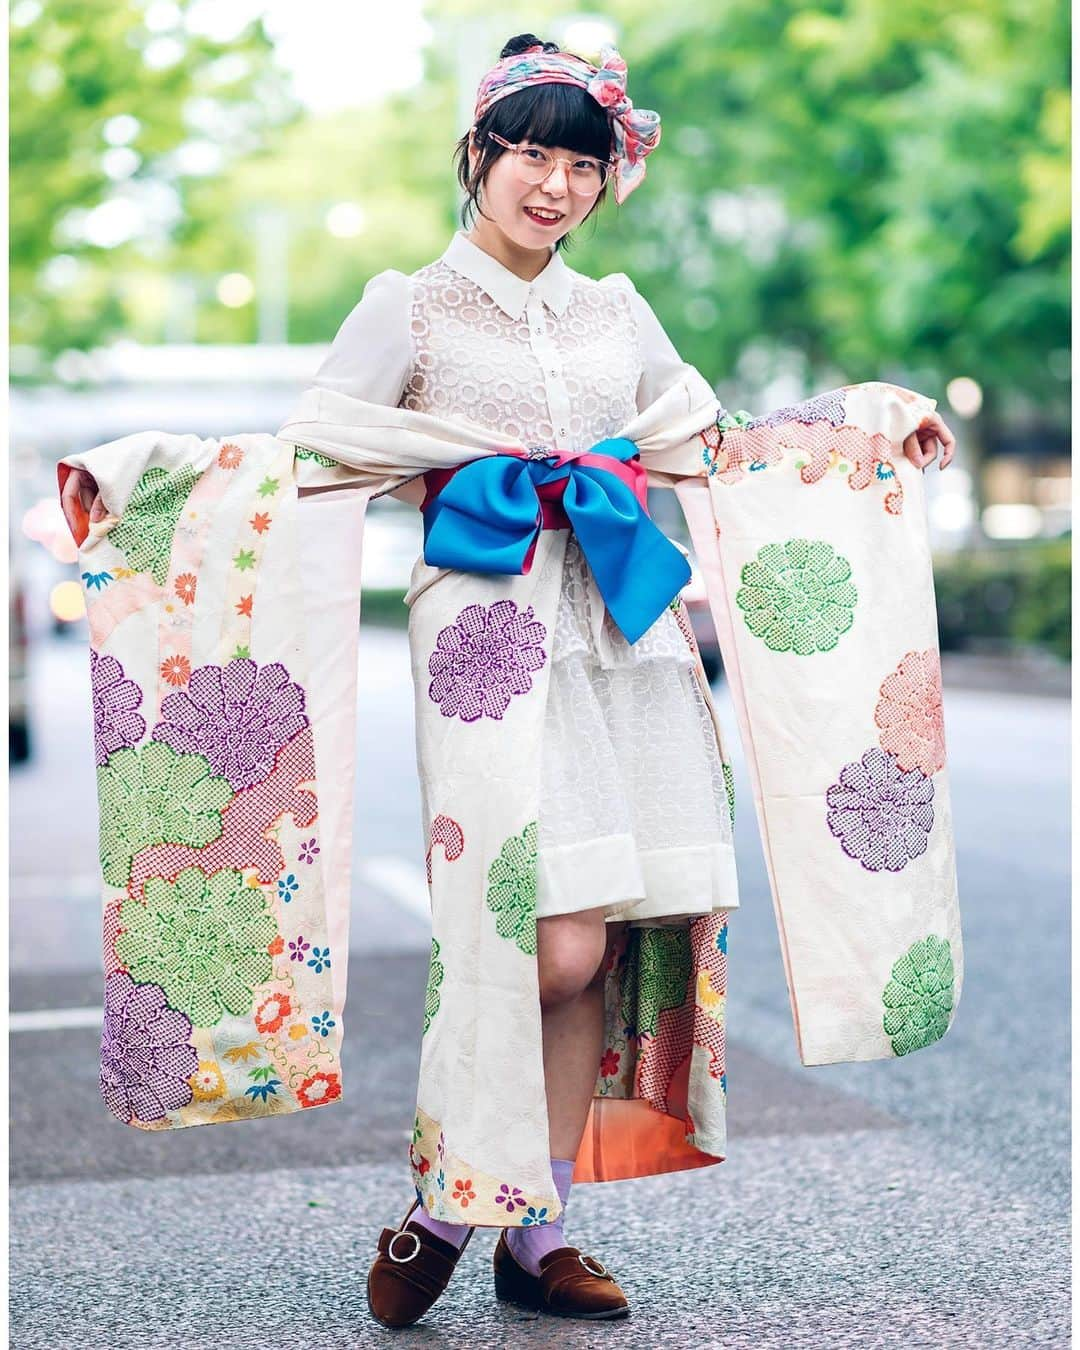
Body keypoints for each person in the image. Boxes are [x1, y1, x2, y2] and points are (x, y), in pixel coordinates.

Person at [60, 30, 956, 1331]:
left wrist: (869, 426)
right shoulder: (406, 306)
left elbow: (717, 446)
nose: (554, 184)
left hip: (626, 641)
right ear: (478, 153)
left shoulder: (618, 314)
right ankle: (441, 1199)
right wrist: (134, 472)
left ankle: (535, 1228)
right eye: (530, 151)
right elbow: (307, 455)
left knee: (596, 944)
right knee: (539, 937)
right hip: (483, 645)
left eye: (581, 162)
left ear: (608, 181)